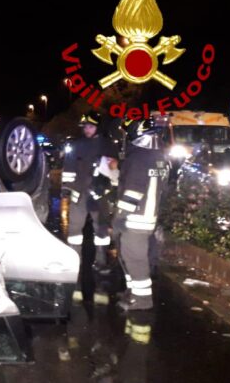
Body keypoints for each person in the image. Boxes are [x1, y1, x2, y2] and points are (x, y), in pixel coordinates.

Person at [114, 117, 168, 311]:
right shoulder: (159, 157)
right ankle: (132, 291)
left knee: (134, 258)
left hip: (135, 219)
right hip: (148, 217)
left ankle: (142, 300)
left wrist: (121, 216)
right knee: (129, 256)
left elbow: (133, 190)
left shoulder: (138, 157)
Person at [61, 113, 112, 302]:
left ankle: (101, 261)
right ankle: (75, 260)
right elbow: (68, 168)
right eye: (85, 127)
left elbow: (114, 170)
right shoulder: (77, 145)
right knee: (75, 230)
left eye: (90, 126)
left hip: (99, 197)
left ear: (97, 127)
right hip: (79, 196)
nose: (87, 129)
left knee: (101, 229)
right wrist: (66, 189)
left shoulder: (107, 145)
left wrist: (104, 186)